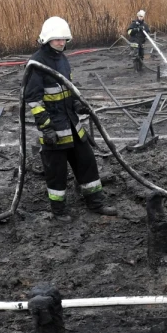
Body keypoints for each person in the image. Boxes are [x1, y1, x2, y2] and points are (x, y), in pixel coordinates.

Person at [24, 16, 117, 221]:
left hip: (73, 124)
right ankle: (59, 211)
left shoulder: (63, 60)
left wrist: (77, 104)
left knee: (87, 162)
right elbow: (33, 100)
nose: (61, 43)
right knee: (56, 172)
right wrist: (46, 127)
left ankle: (96, 203)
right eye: (57, 39)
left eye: (64, 39)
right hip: (54, 129)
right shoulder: (36, 64)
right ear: (46, 39)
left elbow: (69, 89)